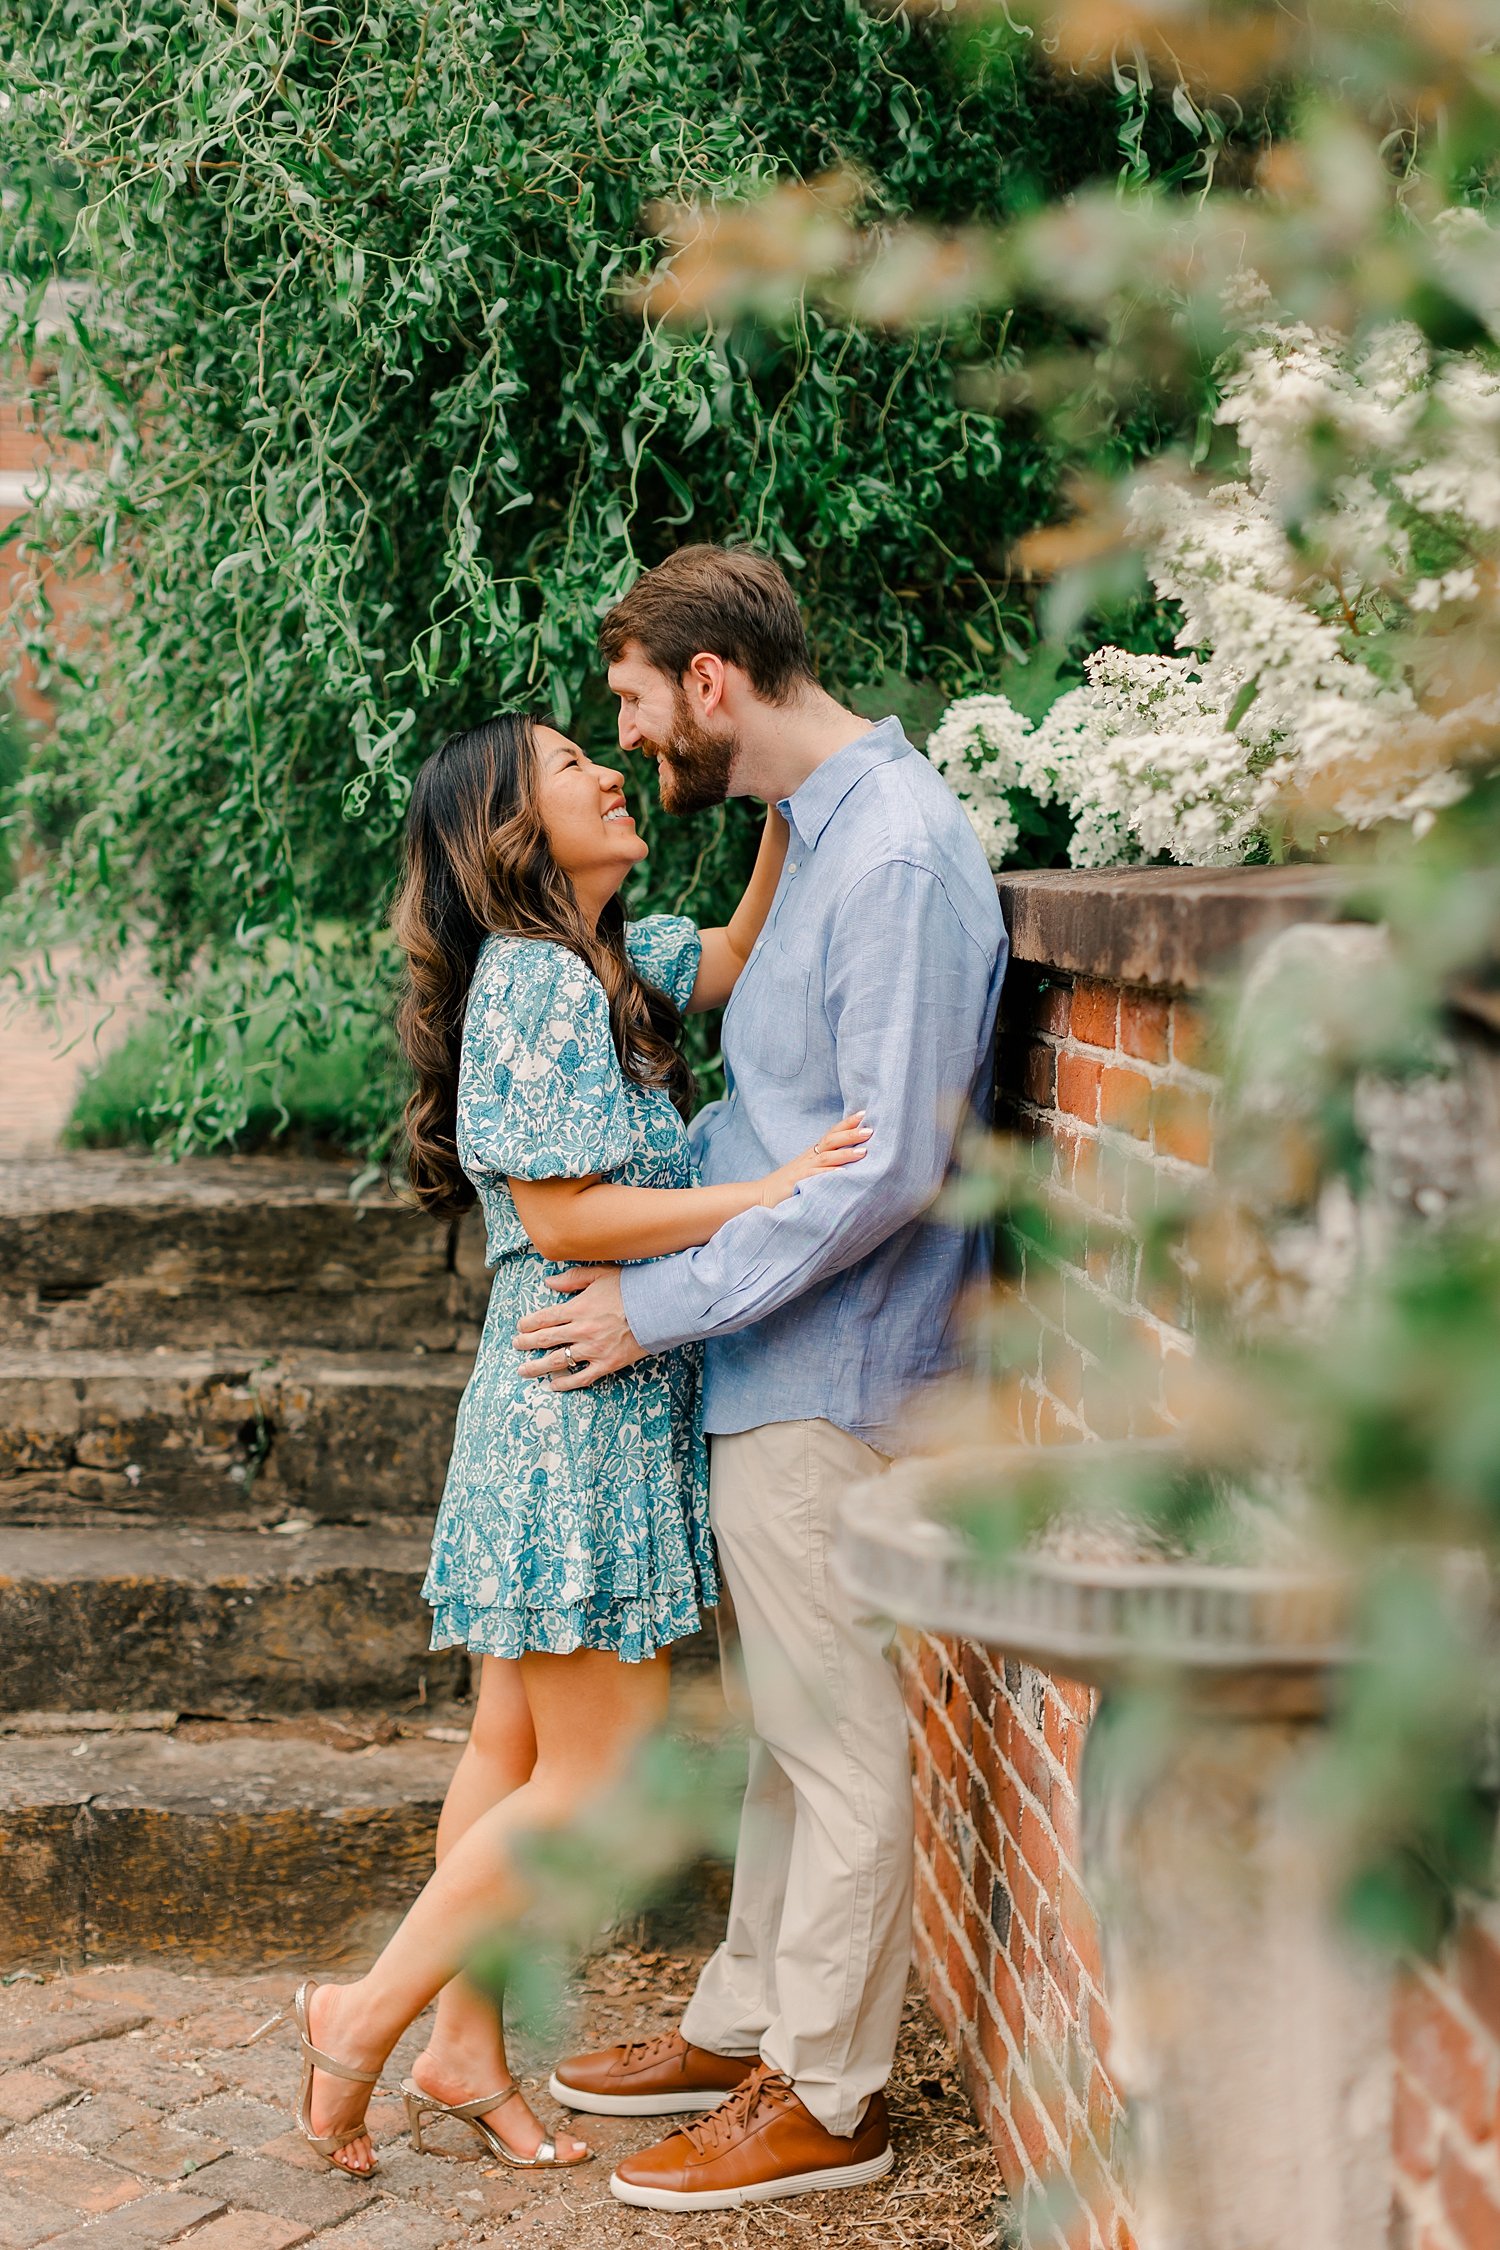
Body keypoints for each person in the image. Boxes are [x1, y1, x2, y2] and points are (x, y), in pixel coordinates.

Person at [257, 712, 870, 2179]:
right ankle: (365, 2011)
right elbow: (566, 1219)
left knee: (511, 1745)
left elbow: (730, 942)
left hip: (566, 1404)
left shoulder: (612, 959)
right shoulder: (533, 981)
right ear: (520, 838)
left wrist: (791, 760)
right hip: (571, 1415)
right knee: (593, 1777)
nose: (609, 770)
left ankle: (461, 2048)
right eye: (572, 769)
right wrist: (775, 1188)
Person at [523, 546, 1009, 2212]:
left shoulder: (899, 861)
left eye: (643, 714)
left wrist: (654, 1302)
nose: (642, 748)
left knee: (837, 1738)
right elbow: (791, 1125)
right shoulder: (818, 842)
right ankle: (749, 2023)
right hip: (773, 1350)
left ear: (712, 682)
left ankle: (830, 2095)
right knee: (784, 1740)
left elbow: (883, 1173)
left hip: (838, 1365)